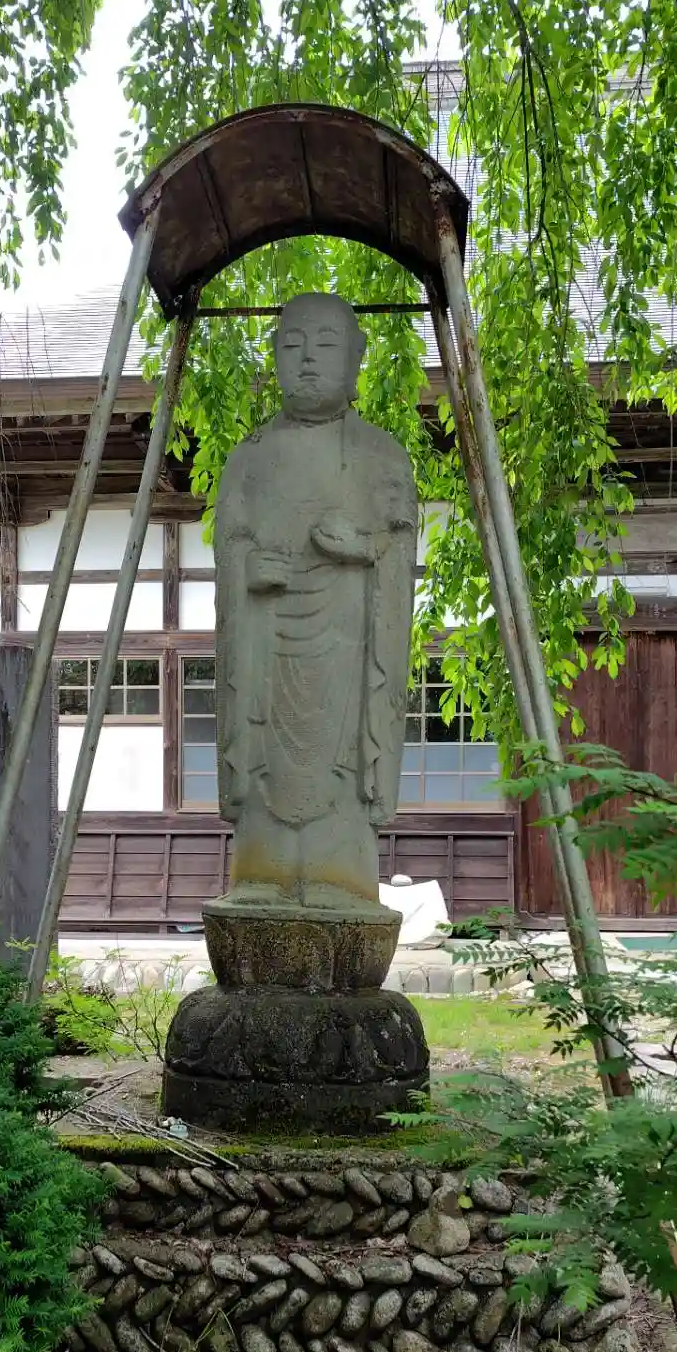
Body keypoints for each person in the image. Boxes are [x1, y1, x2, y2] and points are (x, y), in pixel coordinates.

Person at [211, 292, 418, 912]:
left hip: (347, 645)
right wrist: (247, 569)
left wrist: (368, 549)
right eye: (292, 345)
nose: (307, 360)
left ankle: (339, 873)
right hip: (269, 642)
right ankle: (264, 872)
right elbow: (230, 543)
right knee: (265, 749)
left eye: (325, 345)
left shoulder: (382, 456)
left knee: (341, 756)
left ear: (355, 357)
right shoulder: (249, 457)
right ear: (274, 355)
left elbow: (400, 545)